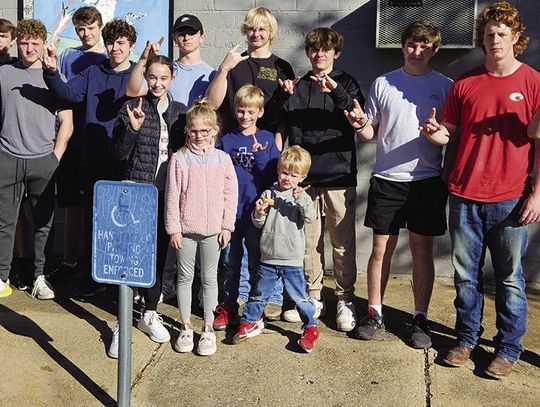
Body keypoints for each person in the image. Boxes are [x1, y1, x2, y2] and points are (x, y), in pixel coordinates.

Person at [420, 1, 540, 379]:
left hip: (511, 198)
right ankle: (466, 339)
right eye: (489, 34)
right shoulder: (466, 84)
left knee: (510, 279)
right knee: (465, 277)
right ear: (482, 40)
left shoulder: (533, 83)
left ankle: (508, 348)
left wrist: (537, 194)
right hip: (465, 194)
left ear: (516, 38)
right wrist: (435, 134)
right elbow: (448, 133)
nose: (495, 39)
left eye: (503, 33)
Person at [346, 20, 452, 349]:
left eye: (424, 46)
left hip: (426, 181)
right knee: (380, 252)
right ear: (402, 46)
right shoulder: (384, 83)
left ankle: (419, 317)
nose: (416, 51)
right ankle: (374, 312)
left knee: (422, 252)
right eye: (411, 45)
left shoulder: (445, 85)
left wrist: (437, 134)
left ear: (434, 49)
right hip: (387, 180)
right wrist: (359, 124)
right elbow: (369, 132)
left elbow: (449, 134)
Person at [42, 18, 137, 298]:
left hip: (127, 161)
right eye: (111, 42)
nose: (115, 48)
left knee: (124, 222)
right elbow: (67, 92)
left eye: (121, 42)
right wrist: (50, 72)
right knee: (94, 222)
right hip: (93, 159)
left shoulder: (137, 77)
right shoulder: (94, 72)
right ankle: (95, 276)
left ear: (131, 46)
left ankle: (122, 279)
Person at [276, 27, 363, 332]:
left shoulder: (348, 82)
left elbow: (357, 117)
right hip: (305, 180)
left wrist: (336, 91)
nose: (319, 54)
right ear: (308, 53)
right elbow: (281, 126)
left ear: (335, 53)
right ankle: (313, 296)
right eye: (314, 49)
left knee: (342, 242)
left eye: (326, 49)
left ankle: (344, 297)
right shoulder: (297, 86)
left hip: (339, 176)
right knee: (309, 243)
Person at [106, 55, 187, 358]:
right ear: (146, 77)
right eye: (152, 77)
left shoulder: (179, 113)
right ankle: (121, 322)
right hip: (136, 193)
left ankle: (149, 312)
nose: (157, 84)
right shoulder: (132, 107)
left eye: (164, 78)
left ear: (172, 79)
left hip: (166, 195)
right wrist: (133, 129)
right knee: (128, 258)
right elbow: (117, 153)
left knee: (157, 255)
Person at [0, 19, 73, 299]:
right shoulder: (5, 73)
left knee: (43, 223)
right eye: (24, 42)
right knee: (5, 221)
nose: (29, 48)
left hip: (43, 159)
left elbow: (67, 122)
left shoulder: (52, 75)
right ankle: (2, 275)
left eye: (34, 43)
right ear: (17, 43)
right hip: (8, 156)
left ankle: (39, 276)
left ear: (44, 45)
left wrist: (54, 158)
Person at [165, 99, 238, 356]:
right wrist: (174, 228)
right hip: (186, 230)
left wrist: (227, 225)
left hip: (213, 232)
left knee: (209, 279)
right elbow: (173, 196)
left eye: (204, 131)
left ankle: (207, 329)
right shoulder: (179, 159)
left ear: (214, 131)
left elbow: (231, 194)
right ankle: (186, 326)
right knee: (184, 278)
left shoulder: (223, 159)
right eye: (194, 131)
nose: (199, 136)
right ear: (187, 131)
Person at [233, 145, 319, 352]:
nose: (287, 178)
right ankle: (251, 319)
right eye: (284, 172)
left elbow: (310, 217)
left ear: (302, 177)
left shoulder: (302, 197)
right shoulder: (268, 192)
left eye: (293, 175)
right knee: (259, 293)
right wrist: (259, 213)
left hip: (291, 259)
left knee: (299, 296)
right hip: (269, 256)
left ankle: (310, 326)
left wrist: (301, 198)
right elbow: (259, 223)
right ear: (278, 170)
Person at [47, 6, 108, 284]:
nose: (86, 34)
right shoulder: (67, 56)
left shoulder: (109, 57)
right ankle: (70, 261)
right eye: (81, 29)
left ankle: (96, 264)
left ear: (100, 26)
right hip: (69, 137)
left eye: (91, 28)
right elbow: (59, 93)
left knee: (98, 204)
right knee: (70, 201)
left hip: (97, 140)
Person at [215, 84, 281, 330]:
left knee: (255, 262)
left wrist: (261, 156)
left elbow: (273, 179)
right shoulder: (227, 140)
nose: (245, 116)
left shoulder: (266, 140)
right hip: (231, 212)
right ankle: (229, 304)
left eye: (251, 112)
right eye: (241, 111)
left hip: (257, 214)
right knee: (230, 262)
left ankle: (256, 307)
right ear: (235, 110)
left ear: (260, 113)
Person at [206, 6, 295, 136]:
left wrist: (277, 143)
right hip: (233, 142)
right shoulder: (233, 63)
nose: (256, 34)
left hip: (268, 144)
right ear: (245, 30)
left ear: (271, 32)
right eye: (251, 29)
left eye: (262, 29)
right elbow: (211, 104)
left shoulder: (281, 66)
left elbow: (287, 115)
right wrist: (223, 68)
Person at [126, 14, 215, 107]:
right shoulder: (166, 70)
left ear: (202, 38)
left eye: (192, 33)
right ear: (174, 38)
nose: (186, 38)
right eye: (181, 33)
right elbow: (132, 91)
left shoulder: (212, 74)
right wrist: (143, 60)